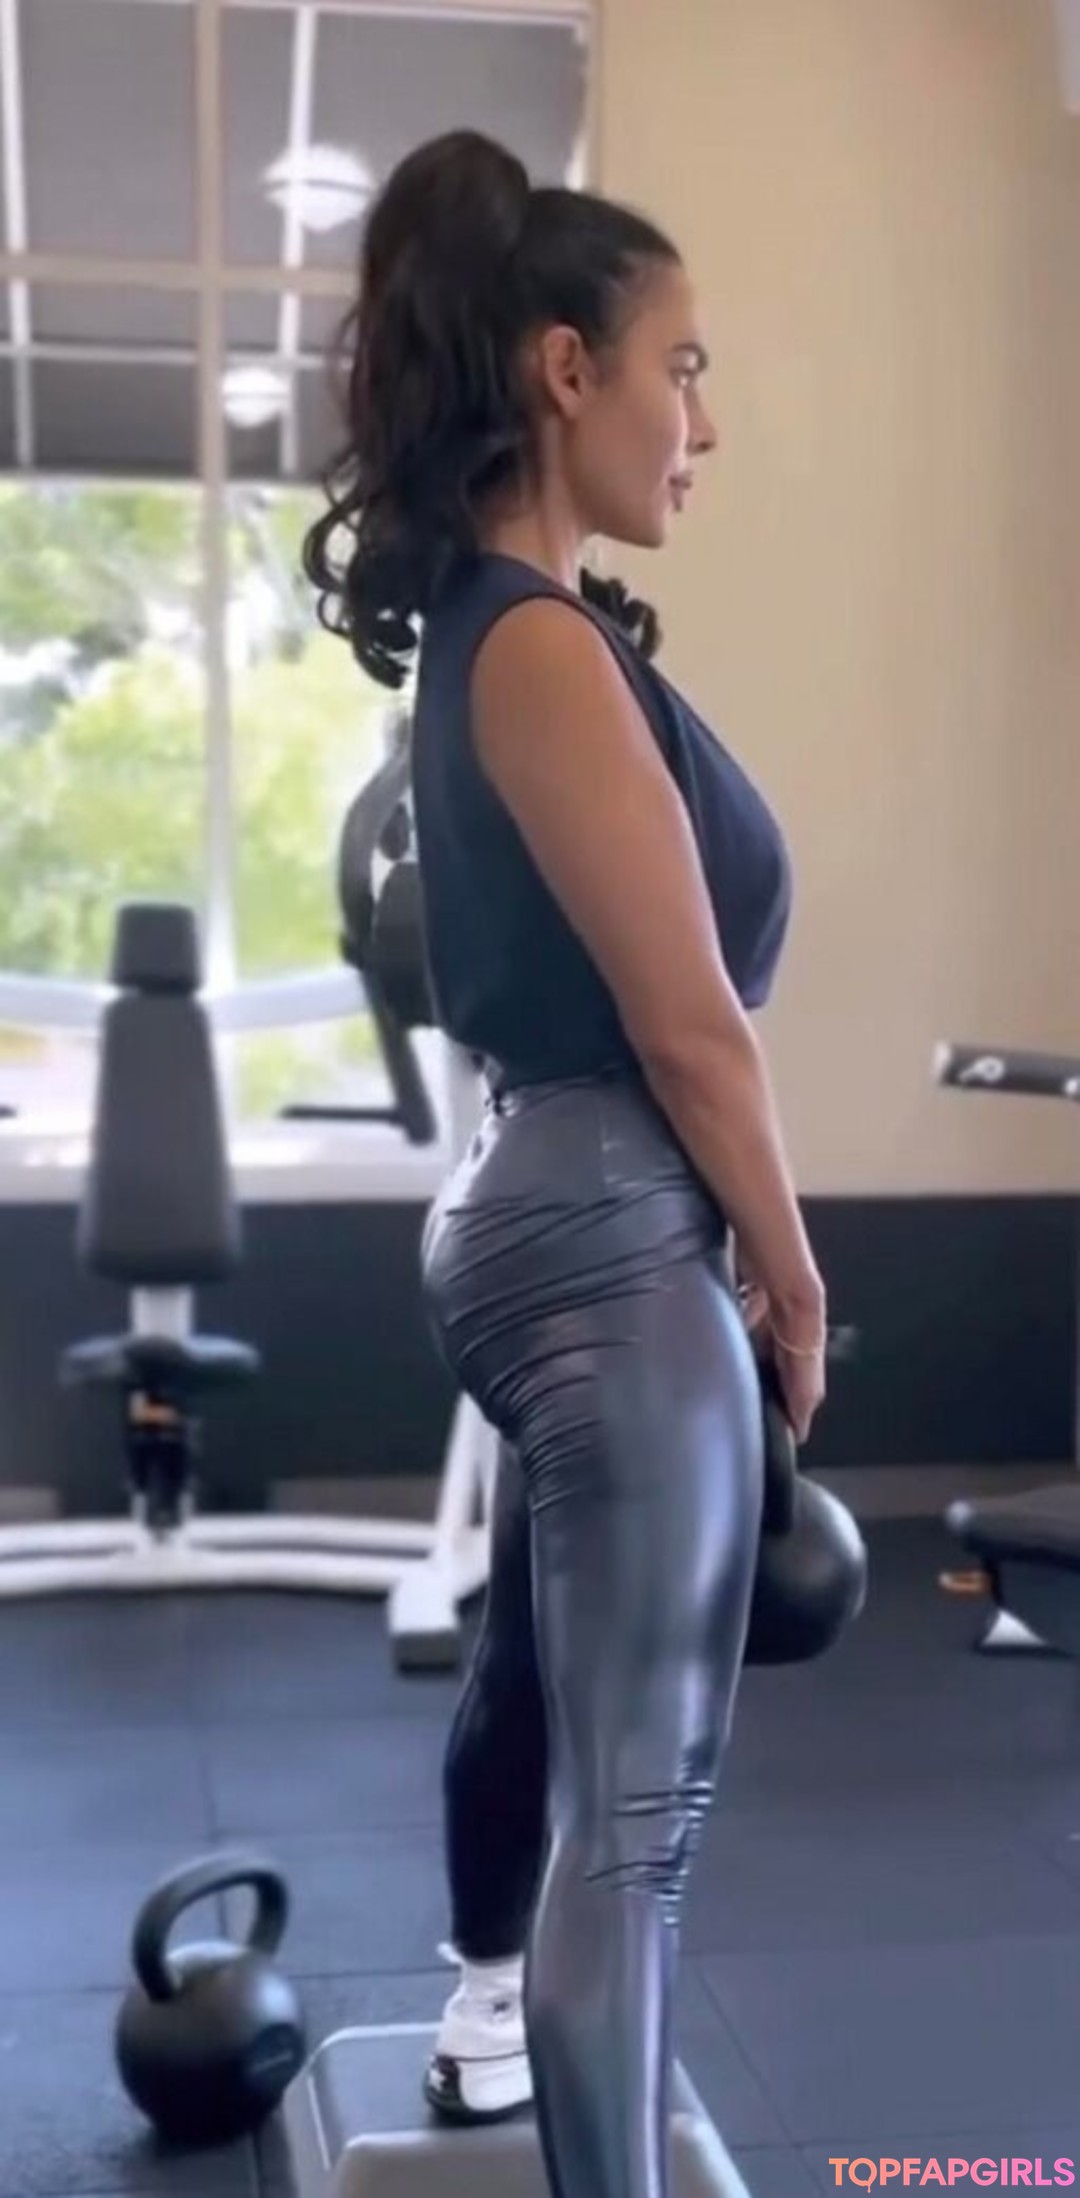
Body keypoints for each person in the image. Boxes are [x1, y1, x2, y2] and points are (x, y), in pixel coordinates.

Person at [304, 129, 827, 2198]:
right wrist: (792, 1272)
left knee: (551, 1698)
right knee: (638, 1829)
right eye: (681, 367)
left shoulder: (511, 630)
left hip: (562, 1213)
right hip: (610, 1226)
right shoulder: (530, 641)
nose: (706, 420)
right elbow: (692, 1026)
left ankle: (488, 2015)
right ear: (562, 370)